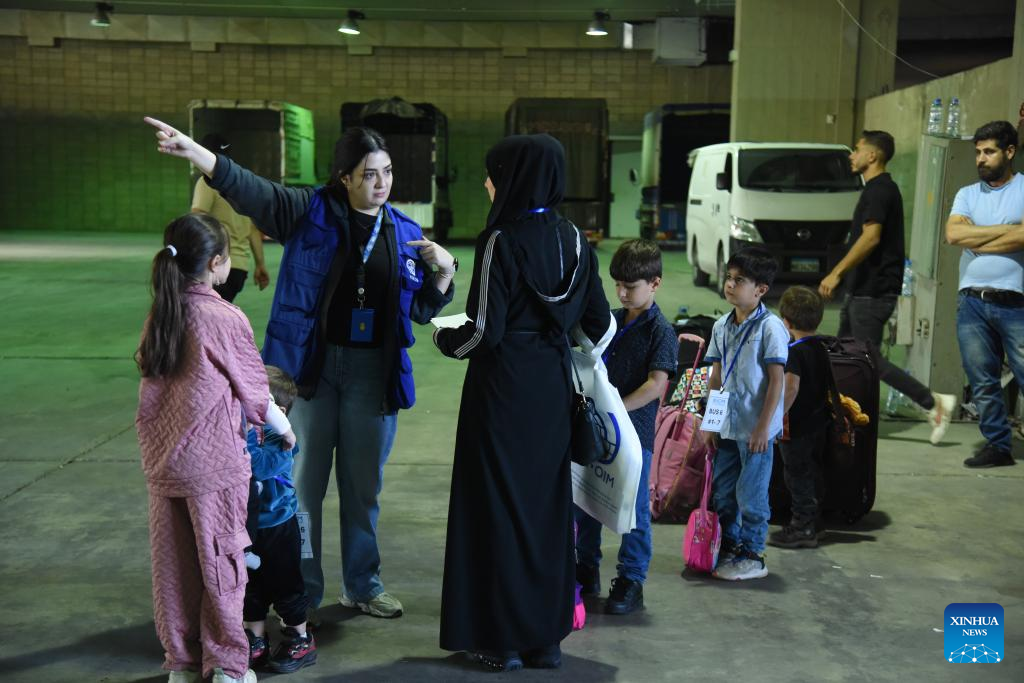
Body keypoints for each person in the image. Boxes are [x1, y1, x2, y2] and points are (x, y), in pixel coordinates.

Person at [146, 116, 456, 620]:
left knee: (364, 488)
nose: (382, 184)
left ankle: (363, 583)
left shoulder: (403, 232)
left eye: (388, 173)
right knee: (301, 488)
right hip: (310, 372)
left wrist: (445, 271)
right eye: (370, 174)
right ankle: (303, 587)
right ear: (345, 177)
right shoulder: (307, 212)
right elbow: (248, 189)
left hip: (373, 375)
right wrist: (198, 154)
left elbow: (420, 310)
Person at [433, 134, 611, 671]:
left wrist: (445, 340)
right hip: (552, 392)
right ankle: (544, 640)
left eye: (495, 173)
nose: (490, 183)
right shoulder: (577, 241)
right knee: (547, 509)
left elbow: (484, 332)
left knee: (497, 510)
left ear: (515, 177)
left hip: (502, 393)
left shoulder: (499, 241)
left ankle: (499, 640)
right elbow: (600, 325)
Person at [135, 213, 296, 683]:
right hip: (213, 468)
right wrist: (285, 429)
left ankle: (182, 664)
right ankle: (227, 665)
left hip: (164, 466)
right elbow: (254, 388)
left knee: (175, 569)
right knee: (222, 567)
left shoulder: (161, 313)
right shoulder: (222, 316)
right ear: (218, 263)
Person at [819, 130, 955, 445]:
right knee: (844, 360)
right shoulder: (876, 190)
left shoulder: (880, 191)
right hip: (863, 291)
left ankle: (933, 402)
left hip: (873, 292)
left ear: (873, 155)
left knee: (866, 360)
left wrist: (836, 272)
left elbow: (871, 237)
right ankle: (845, 418)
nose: (852, 156)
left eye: (857, 150)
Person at [574, 239, 677, 615]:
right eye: (617, 284)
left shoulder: (660, 331)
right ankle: (585, 567)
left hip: (634, 435)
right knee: (585, 499)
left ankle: (632, 580)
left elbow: (656, 385)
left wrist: (614, 409)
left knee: (632, 511)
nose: (621, 292)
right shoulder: (612, 320)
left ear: (655, 283)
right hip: (599, 431)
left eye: (630, 287)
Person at [703, 247, 788, 581]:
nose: (730, 285)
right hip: (726, 427)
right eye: (729, 277)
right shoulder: (721, 326)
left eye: (740, 280)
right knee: (724, 494)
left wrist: (763, 429)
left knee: (751, 496)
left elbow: (776, 382)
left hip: (755, 430)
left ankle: (754, 555)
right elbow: (715, 376)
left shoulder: (771, 327)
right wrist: (710, 423)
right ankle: (731, 547)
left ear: (761, 290)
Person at [946, 120, 1024, 468]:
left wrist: (977, 235)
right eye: (978, 152)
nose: (981, 158)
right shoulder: (967, 193)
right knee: (982, 379)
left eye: (989, 151)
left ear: (1010, 152)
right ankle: (998, 446)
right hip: (972, 303)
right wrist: (1009, 230)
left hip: (1015, 303)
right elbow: (953, 235)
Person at [243, 366, 316, 674]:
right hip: (249, 529)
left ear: (279, 411)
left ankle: (300, 637)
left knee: (286, 586)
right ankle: (254, 639)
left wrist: (245, 433)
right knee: (250, 588)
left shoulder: (282, 443)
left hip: (279, 528)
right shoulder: (254, 432)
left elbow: (256, 466)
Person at [769, 286, 831, 549]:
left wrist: (774, 418)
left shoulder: (793, 350)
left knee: (796, 474)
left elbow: (791, 387)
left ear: (786, 321)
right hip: (818, 421)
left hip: (796, 425)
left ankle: (802, 527)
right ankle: (815, 521)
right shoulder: (820, 346)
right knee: (811, 470)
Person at [191, 133, 270, 303]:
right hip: (238, 270)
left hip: (215, 267)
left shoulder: (207, 181)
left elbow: (198, 218)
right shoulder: (240, 182)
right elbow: (253, 230)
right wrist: (260, 265)